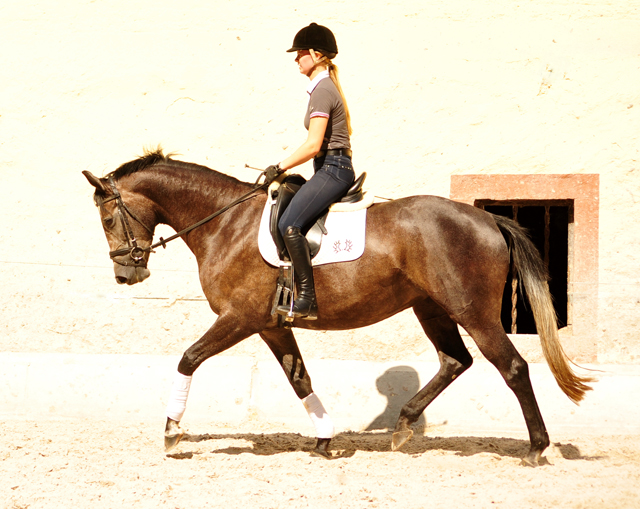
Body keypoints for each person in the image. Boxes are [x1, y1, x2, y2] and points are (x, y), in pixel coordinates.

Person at [264, 22, 355, 320]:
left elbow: (313, 145)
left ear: (316, 55)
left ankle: (306, 298)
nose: (295, 59)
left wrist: (279, 166)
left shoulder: (323, 91)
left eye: (300, 52)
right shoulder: (323, 87)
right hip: (328, 167)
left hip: (334, 168)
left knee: (289, 225)